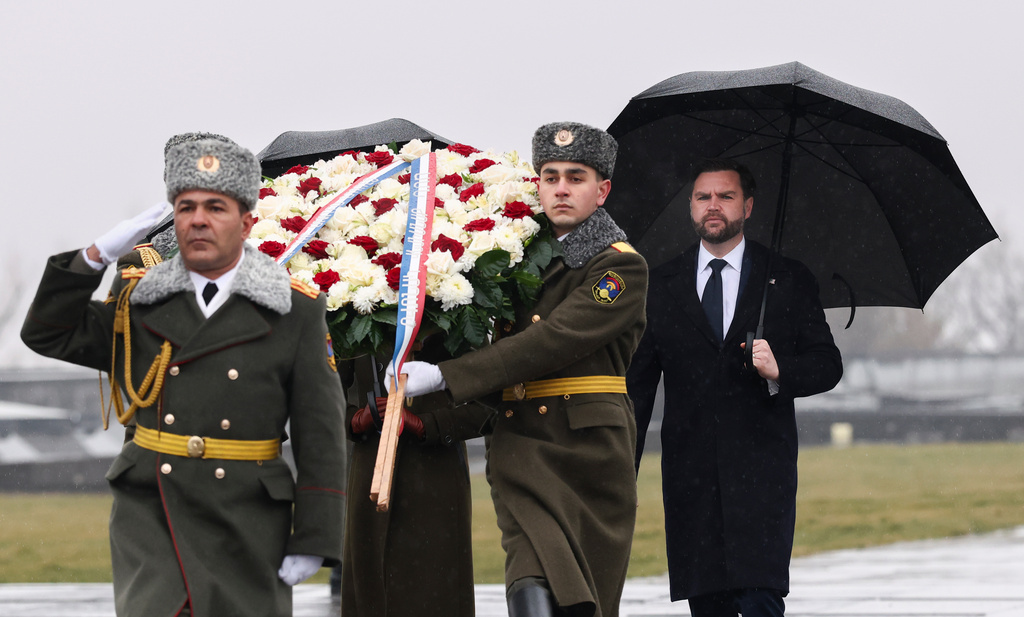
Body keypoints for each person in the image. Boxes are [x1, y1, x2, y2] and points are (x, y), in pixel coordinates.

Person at [21, 136, 347, 617]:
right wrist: (93, 257)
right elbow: (48, 334)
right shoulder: (141, 300)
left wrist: (316, 537)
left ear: (247, 221)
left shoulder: (293, 309)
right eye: (186, 206)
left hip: (247, 518)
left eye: (216, 207)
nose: (198, 219)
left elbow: (321, 434)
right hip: (152, 514)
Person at [392, 121, 648, 617]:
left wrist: (446, 376)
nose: (561, 188)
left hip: (587, 456)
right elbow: (499, 361)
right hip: (521, 448)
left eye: (576, 177)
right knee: (529, 588)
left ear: (603, 191)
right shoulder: (513, 258)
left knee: (581, 604)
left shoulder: (620, 267)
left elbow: (551, 343)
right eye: (550, 177)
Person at [627, 158, 843, 617]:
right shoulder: (658, 285)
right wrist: (619, 467)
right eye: (703, 196)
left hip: (763, 471)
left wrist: (780, 369)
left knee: (760, 598)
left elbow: (828, 366)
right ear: (691, 207)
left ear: (747, 206)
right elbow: (638, 387)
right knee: (707, 603)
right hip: (690, 474)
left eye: (725, 196)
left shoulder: (787, 278)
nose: (713, 206)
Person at [339, 344, 493, 617]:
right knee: (371, 590)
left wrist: (429, 424)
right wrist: (354, 419)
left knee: (437, 590)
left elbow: (491, 402)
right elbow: (321, 392)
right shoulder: (349, 304)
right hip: (372, 467)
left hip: (437, 472)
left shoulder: (462, 305)